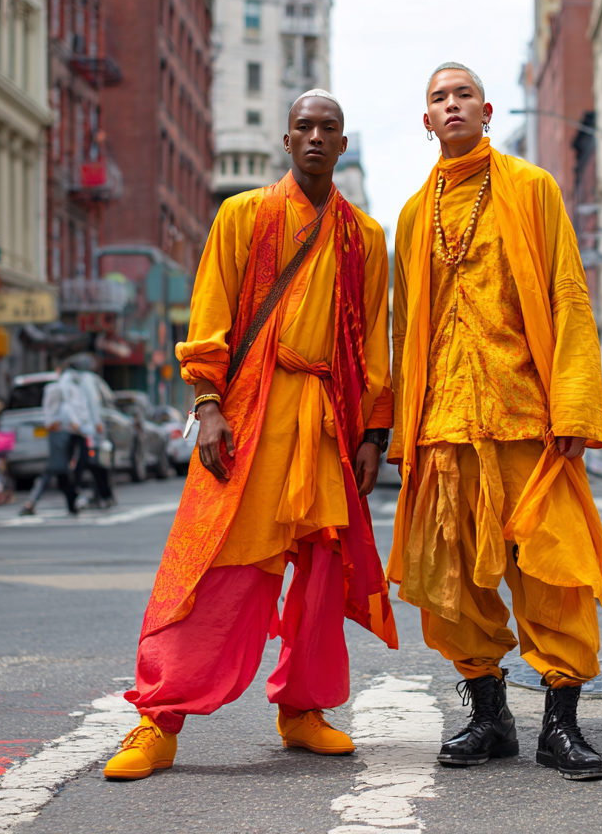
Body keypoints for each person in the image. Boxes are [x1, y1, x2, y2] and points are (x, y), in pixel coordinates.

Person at [104, 90, 397, 781]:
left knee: (323, 575)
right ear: (287, 141)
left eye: (330, 128)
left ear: (342, 144)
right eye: (305, 127)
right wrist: (207, 404)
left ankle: (303, 711)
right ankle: (158, 719)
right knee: (215, 569)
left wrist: (374, 434)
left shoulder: (366, 237)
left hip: (326, 420)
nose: (317, 138)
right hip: (250, 414)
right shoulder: (243, 215)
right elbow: (208, 316)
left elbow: (375, 346)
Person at [388, 63, 602, 782]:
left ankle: (561, 725)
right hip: (446, 427)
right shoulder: (411, 213)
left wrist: (576, 406)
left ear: (486, 111)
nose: (451, 104)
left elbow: (568, 294)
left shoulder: (530, 188)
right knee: (452, 581)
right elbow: (406, 331)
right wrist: (403, 430)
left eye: (463, 94)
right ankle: (488, 718)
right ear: (425, 120)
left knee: (553, 571)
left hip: (527, 417)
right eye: (438, 97)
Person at [19, 365, 88, 517]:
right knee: (58, 469)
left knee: (61, 470)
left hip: (63, 433)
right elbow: (68, 410)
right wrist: (75, 423)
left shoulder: (64, 388)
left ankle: (70, 502)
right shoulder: (65, 388)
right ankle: (71, 501)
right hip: (63, 432)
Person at [70, 354, 115, 508]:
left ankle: (102, 495)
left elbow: (92, 405)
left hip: (87, 430)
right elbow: (94, 404)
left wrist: (95, 424)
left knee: (91, 462)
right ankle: (103, 495)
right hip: (87, 429)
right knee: (92, 463)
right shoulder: (87, 380)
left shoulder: (81, 380)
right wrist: (96, 424)